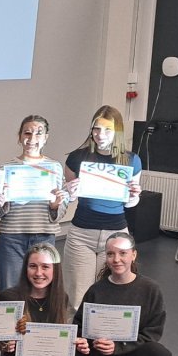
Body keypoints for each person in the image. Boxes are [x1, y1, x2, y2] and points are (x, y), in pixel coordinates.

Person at [66, 232, 172, 356]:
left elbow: (153, 332)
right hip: (95, 355)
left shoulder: (150, 289)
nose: (116, 259)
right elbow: (79, 326)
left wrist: (118, 346)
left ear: (134, 255)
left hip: (129, 355)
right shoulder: (96, 290)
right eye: (110, 254)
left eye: (123, 253)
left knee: (159, 354)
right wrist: (83, 341)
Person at [63, 105, 142, 310]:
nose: (100, 135)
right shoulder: (77, 158)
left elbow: (130, 204)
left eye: (107, 130)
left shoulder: (131, 160)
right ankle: (78, 331)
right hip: (82, 234)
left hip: (115, 233)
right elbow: (69, 199)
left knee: (110, 296)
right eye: (96, 129)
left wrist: (134, 195)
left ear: (118, 131)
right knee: (78, 298)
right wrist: (70, 192)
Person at [0, 115, 69, 291]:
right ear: (19, 136)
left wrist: (55, 206)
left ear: (46, 138)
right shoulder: (5, 169)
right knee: (10, 291)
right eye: (27, 133)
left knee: (42, 291)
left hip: (44, 237)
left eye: (38, 133)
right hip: (11, 238)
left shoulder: (55, 168)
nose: (32, 138)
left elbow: (60, 212)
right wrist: (2, 203)